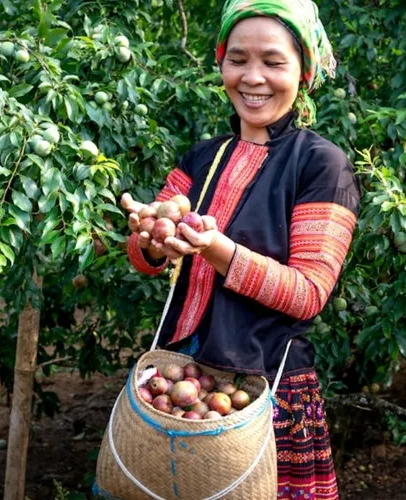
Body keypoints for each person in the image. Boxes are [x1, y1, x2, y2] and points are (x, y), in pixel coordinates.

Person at [120, 1, 359, 497]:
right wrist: (150, 237)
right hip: (181, 382)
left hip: (266, 388)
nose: (252, 77)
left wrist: (216, 249)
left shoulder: (322, 165)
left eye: (273, 62)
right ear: (221, 62)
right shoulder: (202, 157)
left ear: (304, 70)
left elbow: (308, 293)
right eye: (238, 59)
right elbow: (145, 258)